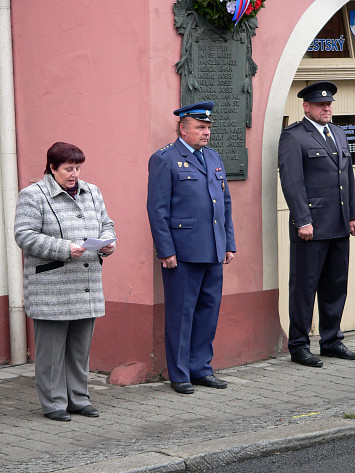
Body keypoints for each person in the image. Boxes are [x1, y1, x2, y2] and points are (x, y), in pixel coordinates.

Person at [14, 142, 116, 420]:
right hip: (52, 286)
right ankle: (54, 403)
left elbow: (107, 224)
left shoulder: (92, 191)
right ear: (52, 168)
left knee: (80, 349)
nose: (75, 174)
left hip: (86, 282)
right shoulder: (33, 195)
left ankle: (79, 399)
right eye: (68, 168)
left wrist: (108, 243)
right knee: (51, 352)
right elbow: (24, 235)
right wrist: (64, 248)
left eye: (78, 168)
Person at [147, 101, 236, 394]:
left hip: (213, 249)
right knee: (181, 314)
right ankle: (180, 373)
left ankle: (201, 368)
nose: (206, 132)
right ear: (183, 129)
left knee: (208, 312)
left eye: (208, 127)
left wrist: (228, 243)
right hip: (182, 252)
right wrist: (166, 250)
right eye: (200, 127)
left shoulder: (213, 158)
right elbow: (157, 210)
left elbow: (224, 205)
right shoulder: (165, 159)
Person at [278, 81, 355, 368]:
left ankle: (331, 340)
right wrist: (302, 220)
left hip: (337, 223)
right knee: (304, 287)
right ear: (306, 107)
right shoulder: (294, 137)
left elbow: (347, 177)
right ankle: (298, 345)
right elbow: (292, 182)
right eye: (321, 104)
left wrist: (352, 215)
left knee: (336, 285)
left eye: (329, 104)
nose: (327, 108)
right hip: (310, 226)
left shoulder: (337, 133)